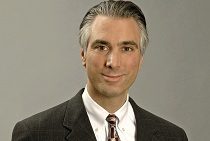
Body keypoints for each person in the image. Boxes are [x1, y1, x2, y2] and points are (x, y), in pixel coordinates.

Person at [12, 0, 188, 141]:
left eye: (126, 48)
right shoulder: (34, 134)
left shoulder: (173, 136)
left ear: (141, 59)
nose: (113, 62)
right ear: (83, 55)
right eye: (102, 47)